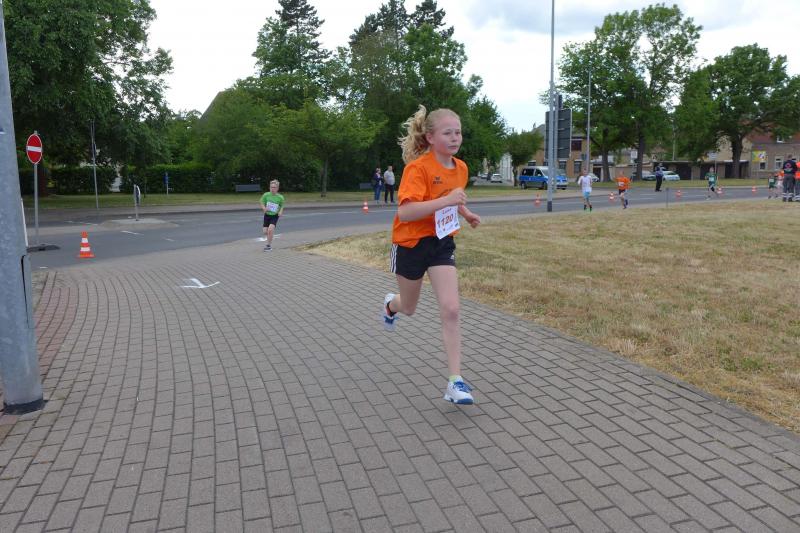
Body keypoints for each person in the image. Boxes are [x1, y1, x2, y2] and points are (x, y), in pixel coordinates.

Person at [382, 105, 481, 405]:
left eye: (458, 132)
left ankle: (455, 382)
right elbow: (406, 212)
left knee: (451, 309)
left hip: (441, 242)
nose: (455, 138)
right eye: (447, 133)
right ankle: (391, 305)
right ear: (431, 137)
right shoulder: (418, 169)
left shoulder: (460, 168)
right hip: (410, 244)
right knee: (409, 307)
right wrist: (447, 201)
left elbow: (453, 198)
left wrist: (465, 213)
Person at [259, 180, 284, 251]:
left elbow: (282, 205)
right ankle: (270, 236)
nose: (272, 189)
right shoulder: (266, 195)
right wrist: (264, 208)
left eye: (274, 187)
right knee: (265, 232)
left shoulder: (280, 197)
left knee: (270, 230)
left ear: (277, 188)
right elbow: (261, 202)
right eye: (271, 187)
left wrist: (280, 211)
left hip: (275, 215)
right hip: (267, 215)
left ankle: (268, 246)